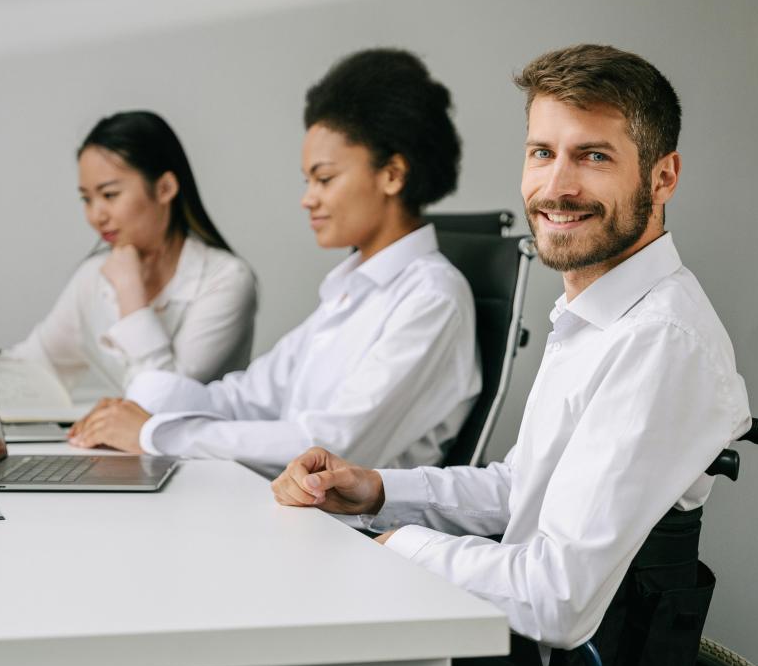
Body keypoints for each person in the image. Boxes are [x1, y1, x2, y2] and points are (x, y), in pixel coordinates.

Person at [271, 44, 753, 666]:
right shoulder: (596, 312)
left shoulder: (658, 342)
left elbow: (556, 599)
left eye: (593, 156)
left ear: (663, 177)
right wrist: (377, 492)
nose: (556, 186)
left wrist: (394, 549)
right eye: (541, 152)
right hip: (514, 652)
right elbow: (522, 488)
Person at [66, 49, 482, 479]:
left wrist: (156, 434)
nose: (308, 198)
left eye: (324, 179)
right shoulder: (350, 291)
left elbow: (330, 446)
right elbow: (247, 397)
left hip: (350, 535)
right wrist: (140, 405)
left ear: (392, 174)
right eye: (307, 182)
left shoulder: (432, 299)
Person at [0, 111, 257, 393]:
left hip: (207, 467)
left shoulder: (227, 280)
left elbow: (161, 402)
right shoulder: (93, 277)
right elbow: (36, 369)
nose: (96, 215)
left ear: (165, 188)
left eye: (109, 195)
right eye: (86, 199)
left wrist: (130, 292)